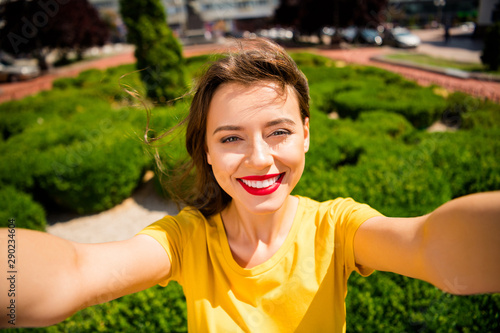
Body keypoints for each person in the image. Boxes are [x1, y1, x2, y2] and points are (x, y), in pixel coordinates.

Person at [1, 38, 499, 331]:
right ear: (209, 153)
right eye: (231, 138)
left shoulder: (337, 228)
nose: (259, 159)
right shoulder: (186, 241)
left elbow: (429, 246)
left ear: (306, 134)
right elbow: (77, 271)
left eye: (279, 131)